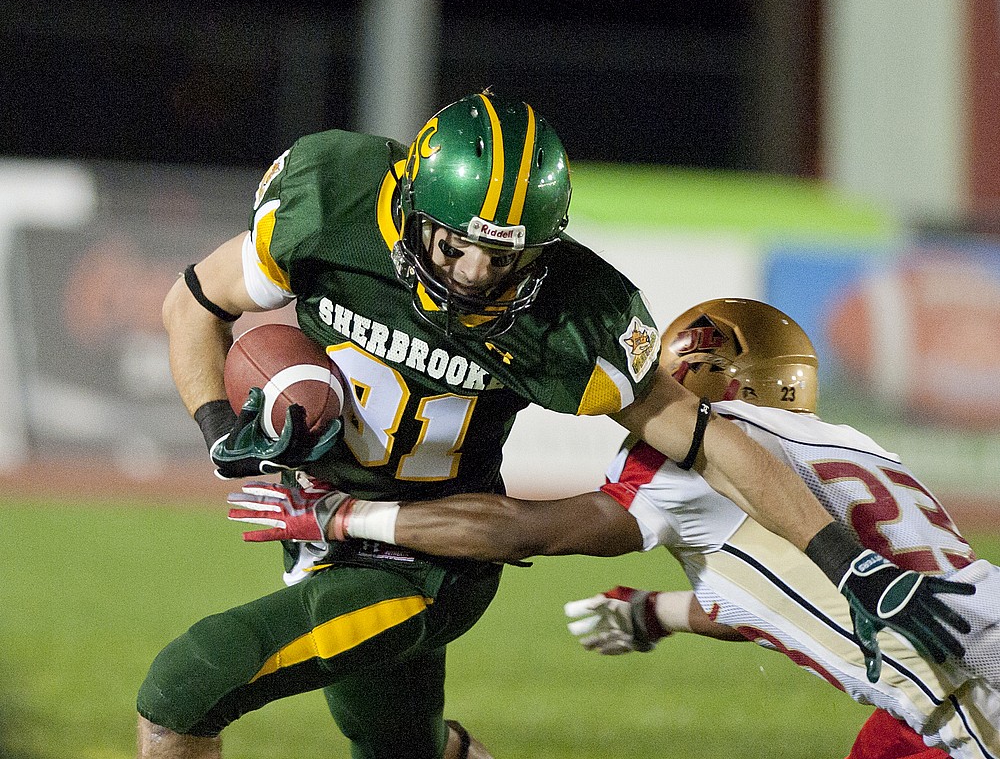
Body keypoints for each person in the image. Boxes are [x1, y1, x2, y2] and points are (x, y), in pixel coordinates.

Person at [151, 89, 970, 759]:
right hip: (322, 531)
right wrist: (221, 427)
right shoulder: (332, 194)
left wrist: (845, 560)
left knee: (186, 686)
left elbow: (709, 439)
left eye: (504, 257)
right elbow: (194, 302)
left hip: (422, 562)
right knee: (396, 747)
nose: (475, 275)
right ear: (408, 206)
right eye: (455, 247)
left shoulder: (576, 316)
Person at [230, 299, 999, 759]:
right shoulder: (857, 448)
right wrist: (659, 611)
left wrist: (342, 514)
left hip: (968, 692)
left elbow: (521, 530)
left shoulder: (690, 464)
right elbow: (794, 597)